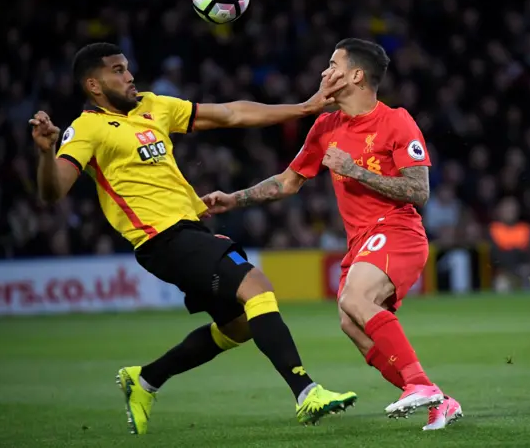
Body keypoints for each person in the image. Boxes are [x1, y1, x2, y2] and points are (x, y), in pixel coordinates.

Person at [29, 42, 357, 435]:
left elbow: (232, 113)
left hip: (188, 231)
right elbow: (52, 192)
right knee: (257, 287)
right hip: (161, 238)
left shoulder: (153, 106)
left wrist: (305, 108)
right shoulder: (85, 129)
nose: (129, 76)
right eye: (118, 70)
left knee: (239, 327)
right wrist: (47, 154)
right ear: (94, 85)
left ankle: (146, 379)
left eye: (127, 68)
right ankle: (306, 392)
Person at [202, 38, 463, 431]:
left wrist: (355, 170)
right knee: (350, 322)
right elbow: (288, 183)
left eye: (333, 64)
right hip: (361, 241)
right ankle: (432, 393)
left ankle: (419, 388)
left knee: (355, 298)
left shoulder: (396, 121)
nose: (324, 72)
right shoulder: (326, 126)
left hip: (398, 230)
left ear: (356, 75)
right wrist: (233, 200)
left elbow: (419, 191)